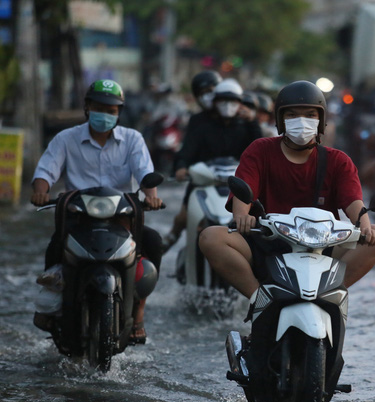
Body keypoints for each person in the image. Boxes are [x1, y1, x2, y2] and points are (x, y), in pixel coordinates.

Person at [198, 80, 375, 307]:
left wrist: (365, 225)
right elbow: (244, 188)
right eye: (292, 115)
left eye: (310, 114)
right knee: (211, 237)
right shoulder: (260, 150)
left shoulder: (338, 161)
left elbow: (353, 201)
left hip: (322, 246)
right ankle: (260, 301)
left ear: (321, 120)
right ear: (280, 120)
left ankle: (329, 294)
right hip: (268, 241)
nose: (301, 121)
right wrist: (242, 216)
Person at [30, 79, 164, 343]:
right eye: (100, 107)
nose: (105, 114)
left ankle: (138, 310)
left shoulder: (132, 139)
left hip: (121, 218)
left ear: (119, 113)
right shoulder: (66, 139)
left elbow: (145, 172)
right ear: (87, 107)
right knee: (56, 248)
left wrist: (152, 197)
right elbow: (46, 171)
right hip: (78, 219)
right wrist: (40, 190)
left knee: (153, 242)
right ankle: (51, 308)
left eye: (111, 110)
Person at [161, 78, 262, 252]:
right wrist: (181, 167)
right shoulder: (202, 124)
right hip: (204, 180)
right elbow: (187, 150)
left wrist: (253, 122)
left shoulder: (247, 125)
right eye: (223, 100)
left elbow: (259, 151)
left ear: (240, 103)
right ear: (215, 102)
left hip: (238, 184)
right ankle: (172, 239)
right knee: (184, 216)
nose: (227, 105)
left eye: (233, 101)